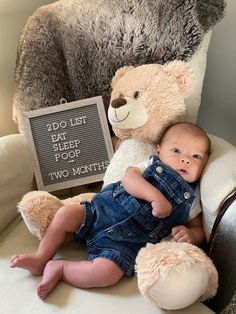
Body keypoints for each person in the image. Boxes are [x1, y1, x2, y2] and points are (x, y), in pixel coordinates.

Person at [10, 122, 211, 300]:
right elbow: (129, 179)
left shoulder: (192, 197)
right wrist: (154, 196)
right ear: (158, 151)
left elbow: (198, 227)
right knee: (65, 214)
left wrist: (191, 234)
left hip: (125, 244)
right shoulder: (151, 165)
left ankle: (61, 269)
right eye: (176, 150)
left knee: (107, 274)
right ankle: (41, 257)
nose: (185, 160)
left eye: (196, 156)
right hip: (102, 211)